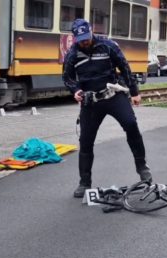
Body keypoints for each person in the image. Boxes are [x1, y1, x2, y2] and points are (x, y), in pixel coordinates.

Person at [62, 19, 152, 198]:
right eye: (81, 39)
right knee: (86, 141)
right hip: (91, 102)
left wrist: (134, 92)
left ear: (91, 32)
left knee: (131, 125)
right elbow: (67, 78)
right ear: (75, 38)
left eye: (87, 37)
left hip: (113, 94)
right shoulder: (72, 54)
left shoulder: (108, 45)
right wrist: (76, 90)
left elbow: (124, 66)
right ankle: (84, 182)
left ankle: (142, 167)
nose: (85, 42)